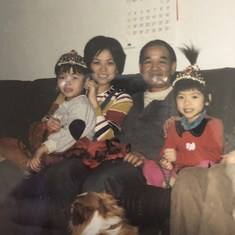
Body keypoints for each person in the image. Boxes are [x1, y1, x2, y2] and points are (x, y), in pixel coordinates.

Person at [0, 50, 96, 235]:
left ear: (85, 82)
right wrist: (48, 124)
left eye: (74, 77)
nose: (67, 82)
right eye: (62, 77)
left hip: (71, 155)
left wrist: (41, 149)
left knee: (41, 185)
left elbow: (72, 133)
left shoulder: (82, 104)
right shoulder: (64, 105)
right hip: (53, 155)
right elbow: (50, 129)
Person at [82, 39, 179, 196]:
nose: (154, 68)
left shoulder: (184, 101)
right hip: (112, 159)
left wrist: (148, 158)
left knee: (103, 179)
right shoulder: (129, 99)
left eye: (162, 61)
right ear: (140, 68)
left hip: (147, 167)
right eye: (148, 62)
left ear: (173, 67)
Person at [143, 55, 224, 188]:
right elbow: (163, 155)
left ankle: (169, 184)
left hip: (199, 172)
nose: (187, 102)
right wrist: (165, 162)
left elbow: (214, 156)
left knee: (207, 164)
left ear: (207, 99)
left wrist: (178, 157)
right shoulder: (175, 126)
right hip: (177, 174)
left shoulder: (214, 124)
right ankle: (177, 185)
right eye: (181, 97)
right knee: (148, 165)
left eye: (194, 96)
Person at [46, 35, 133, 141]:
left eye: (109, 63)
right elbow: (46, 119)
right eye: (97, 62)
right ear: (89, 66)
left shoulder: (121, 98)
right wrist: (48, 122)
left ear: (117, 68)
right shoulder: (71, 90)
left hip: (90, 154)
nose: (103, 69)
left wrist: (93, 101)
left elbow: (106, 137)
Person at [170, 150, 235, 235]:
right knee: (186, 176)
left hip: (224, 169)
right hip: (224, 165)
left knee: (217, 174)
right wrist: (226, 159)